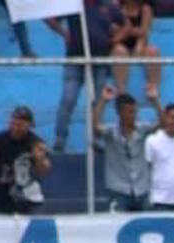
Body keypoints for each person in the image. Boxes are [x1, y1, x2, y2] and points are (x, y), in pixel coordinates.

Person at [46, 0, 126, 152]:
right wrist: (64, 34)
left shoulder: (108, 7)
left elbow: (126, 24)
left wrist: (116, 39)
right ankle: (60, 138)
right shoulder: (72, 5)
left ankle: (95, 138)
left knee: (98, 101)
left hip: (100, 61)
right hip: (75, 60)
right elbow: (50, 19)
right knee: (68, 99)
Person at [93, 84, 161, 212]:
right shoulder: (111, 133)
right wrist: (103, 101)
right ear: (119, 113)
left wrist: (155, 101)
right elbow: (95, 127)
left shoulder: (142, 130)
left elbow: (163, 124)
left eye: (135, 111)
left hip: (142, 189)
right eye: (130, 112)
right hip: (119, 190)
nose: (133, 115)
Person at [0, 106, 51, 214]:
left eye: (20, 125)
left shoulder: (35, 142)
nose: (16, 128)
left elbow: (44, 170)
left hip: (29, 201)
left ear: (29, 125)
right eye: (13, 123)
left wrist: (40, 158)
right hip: (3, 199)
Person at [112, 0, 161, 93]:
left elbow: (144, 30)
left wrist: (126, 30)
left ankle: (154, 89)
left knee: (153, 51)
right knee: (119, 50)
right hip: (119, 42)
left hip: (139, 42)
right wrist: (131, 31)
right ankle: (122, 91)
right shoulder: (116, 7)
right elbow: (113, 29)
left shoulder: (145, 8)